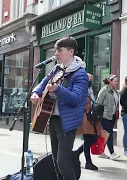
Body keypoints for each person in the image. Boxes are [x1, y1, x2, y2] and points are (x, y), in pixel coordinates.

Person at [30, 36, 88, 180]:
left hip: (67, 123)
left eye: (59, 50)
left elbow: (76, 99)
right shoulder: (57, 69)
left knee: (63, 162)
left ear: (70, 52)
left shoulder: (80, 74)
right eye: (56, 50)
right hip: (53, 120)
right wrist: (36, 93)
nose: (56, 54)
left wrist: (57, 89)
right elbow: (43, 83)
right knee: (56, 162)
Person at [76, 73, 103, 170]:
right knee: (89, 138)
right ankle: (88, 162)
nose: (90, 81)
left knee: (94, 137)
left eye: (91, 79)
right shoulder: (81, 89)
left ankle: (77, 153)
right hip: (85, 116)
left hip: (91, 115)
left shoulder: (89, 89)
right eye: (88, 79)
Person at [97, 74, 121, 160]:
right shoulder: (104, 90)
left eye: (117, 81)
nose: (116, 83)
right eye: (115, 81)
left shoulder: (116, 92)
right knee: (109, 134)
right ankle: (112, 153)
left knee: (105, 134)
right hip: (105, 116)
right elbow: (98, 103)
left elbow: (116, 103)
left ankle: (100, 152)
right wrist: (101, 114)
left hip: (113, 115)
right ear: (110, 81)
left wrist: (117, 112)